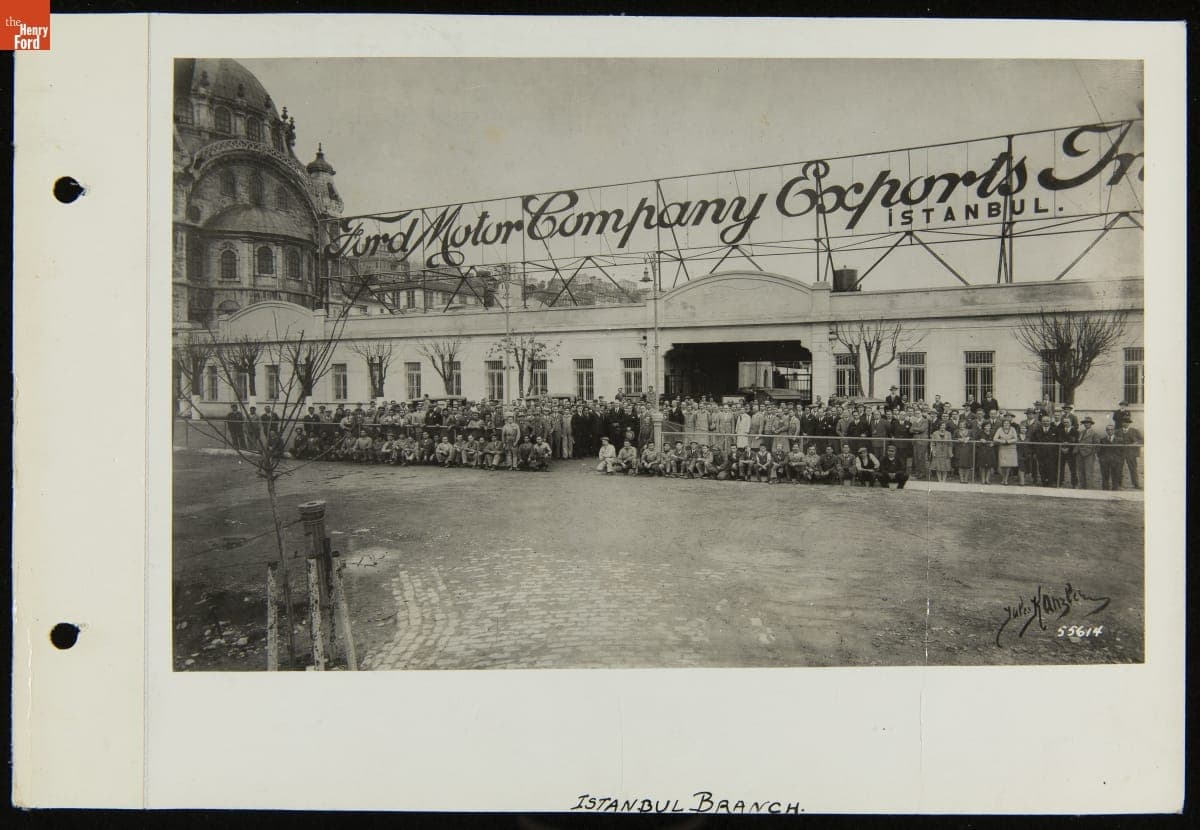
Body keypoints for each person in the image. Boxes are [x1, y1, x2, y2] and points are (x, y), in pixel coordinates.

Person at [1074, 416, 1102, 489]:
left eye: (1088, 423)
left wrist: (1090, 452)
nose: (1086, 424)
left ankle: (1089, 489)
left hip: (1088, 456)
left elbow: (1097, 446)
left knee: (1088, 472)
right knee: (1080, 472)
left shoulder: (1094, 434)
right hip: (1079, 454)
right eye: (1085, 423)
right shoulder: (1081, 432)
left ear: (1091, 424)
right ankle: (1082, 487)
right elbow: (1078, 442)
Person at [992, 415, 1020, 485]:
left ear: (1010, 424)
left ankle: (1005, 479)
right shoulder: (1000, 429)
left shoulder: (1013, 429)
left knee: (1008, 465)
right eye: (1005, 423)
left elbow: (1016, 438)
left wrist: (1008, 441)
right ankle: (1003, 478)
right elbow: (995, 438)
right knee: (1002, 465)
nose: (1006, 424)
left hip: (1011, 448)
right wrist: (1002, 441)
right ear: (1002, 424)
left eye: (1008, 423)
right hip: (1002, 448)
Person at [1117, 421, 1143, 489]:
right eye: (1124, 422)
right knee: (1119, 468)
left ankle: (1136, 484)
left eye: (1127, 422)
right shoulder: (1117, 431)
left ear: (1129, 423)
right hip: (1120, 453)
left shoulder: (1135, 431)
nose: (1125, 423)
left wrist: (1136, 442)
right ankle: (1119, 484)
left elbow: (1142, 440)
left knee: (1133, 468)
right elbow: (1114, 439)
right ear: (1122, 423)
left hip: (1131, 453)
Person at [1098, 424, 1124, 490]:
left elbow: (1122, 451)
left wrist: (1119, 459)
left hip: (1115, 461)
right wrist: (1101, 459)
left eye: (1111, 429)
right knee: (1105, 476)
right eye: (1108, 430)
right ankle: (1105, 491)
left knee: (1115, 476)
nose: (1110, 431)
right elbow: (1099, 451)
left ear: (1114, 430)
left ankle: (1115, 491)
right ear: (1106, 431)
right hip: (1105, 461)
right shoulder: (1102, 440)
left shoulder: (1119, 440)